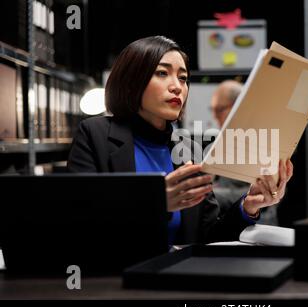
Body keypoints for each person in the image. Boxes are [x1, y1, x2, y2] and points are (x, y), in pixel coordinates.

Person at [67, 36, 293, 246]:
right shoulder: (94, 134)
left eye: (183, 78)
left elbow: (209, 236)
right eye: (162, 73)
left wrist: (248, 207)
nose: (177, 86)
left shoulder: (186, 149)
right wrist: (156, 204)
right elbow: (83, 223)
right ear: (131, 80)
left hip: (179, 278)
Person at [210, 80, 279, 225]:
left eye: (219, 110)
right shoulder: (226, 138)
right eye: (213, 110)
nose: (215, 117)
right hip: (233, 225)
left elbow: (264, 191)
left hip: (258, 230)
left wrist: (209, 194)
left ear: (239, 106)